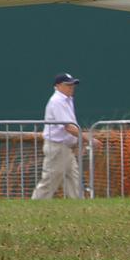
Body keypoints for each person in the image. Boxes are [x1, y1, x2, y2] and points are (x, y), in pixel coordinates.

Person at [33, 72, 86, 200]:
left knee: (74, 180)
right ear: (58, 86)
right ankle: (35, 204)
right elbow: (67, 126)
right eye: (68, 85)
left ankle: (80, 208)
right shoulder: (57, 101)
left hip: (65, 148)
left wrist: (77, 142)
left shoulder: (66, 100)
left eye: (72, 84)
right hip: (57, 148)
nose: (71, 87)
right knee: (49, 181)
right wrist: (87, 138)